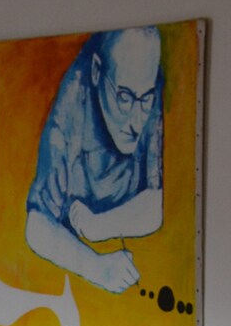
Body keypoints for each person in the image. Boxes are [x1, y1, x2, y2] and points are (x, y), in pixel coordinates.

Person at [25, 26, 162, 293]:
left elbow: (159, 205)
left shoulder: (149, 88)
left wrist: (98, 226)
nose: (137, 122)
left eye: (145, 100)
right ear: (98, 72)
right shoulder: (69, 113)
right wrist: (97, 268)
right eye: (124, 97)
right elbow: (37, 225)